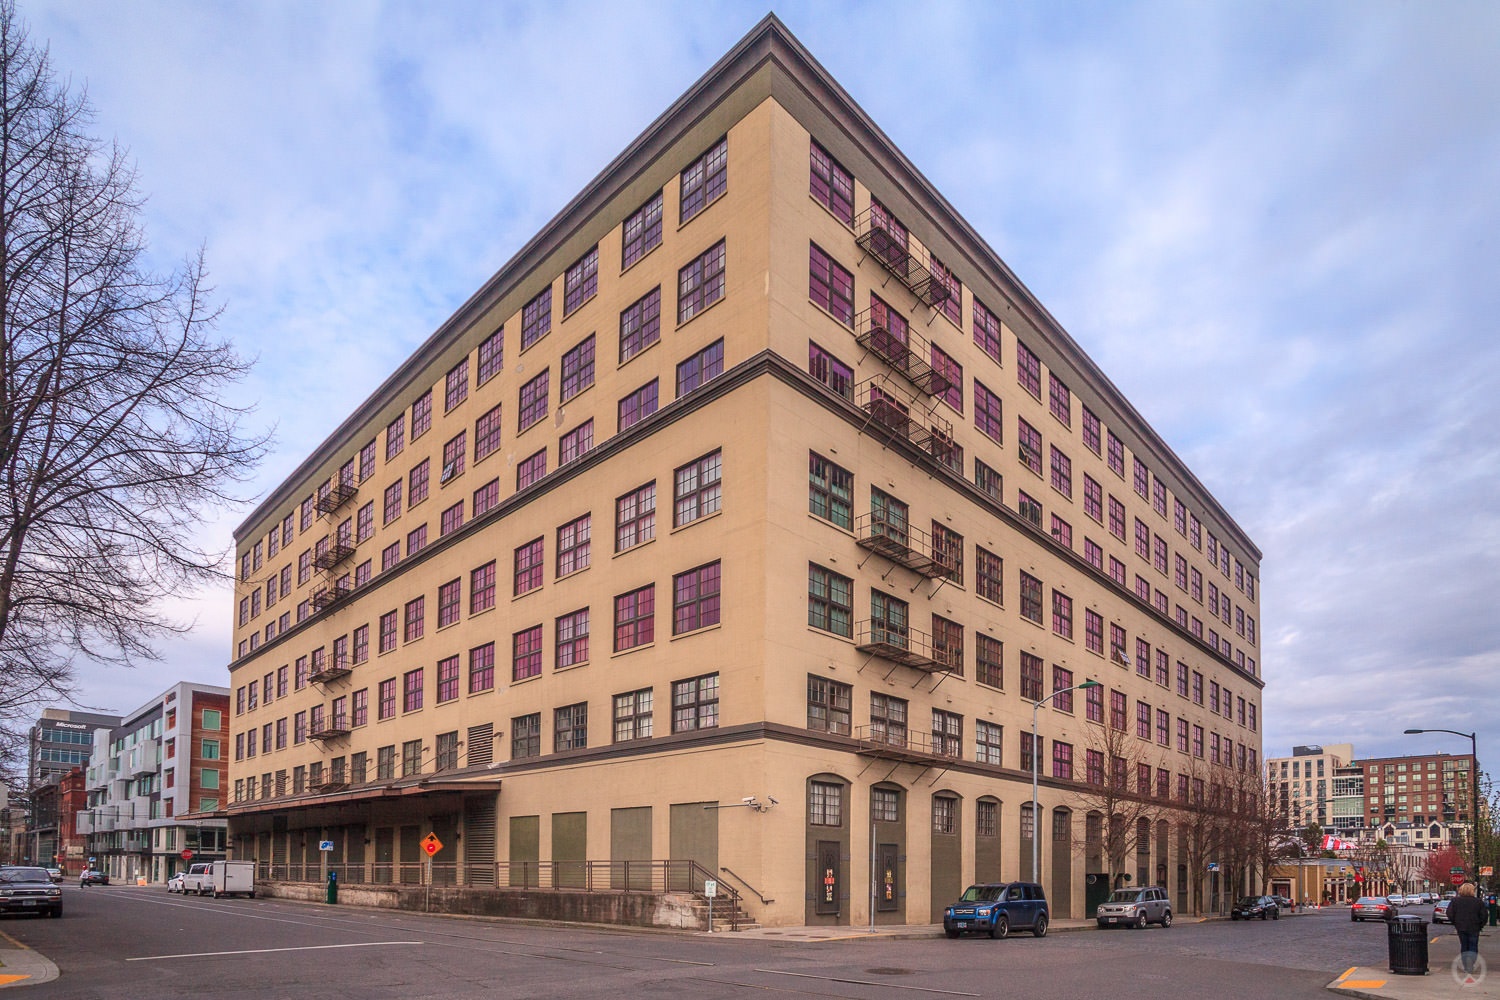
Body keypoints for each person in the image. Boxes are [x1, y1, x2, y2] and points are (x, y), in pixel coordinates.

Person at [1449, 882, 1487, 974]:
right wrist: (1480, 925)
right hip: (1474, 927)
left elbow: (1450, 914)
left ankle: (1466, 965)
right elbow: (1484, 915)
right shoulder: (1478, 902)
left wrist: (1455, 923)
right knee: (1473, 946)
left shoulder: (1455, 901)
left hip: (1461, 927)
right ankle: (1471, 964)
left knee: (1464, 946)